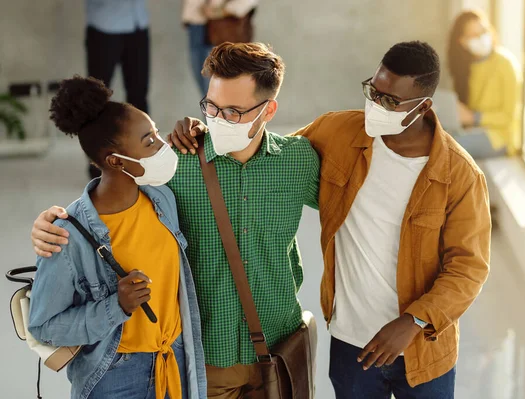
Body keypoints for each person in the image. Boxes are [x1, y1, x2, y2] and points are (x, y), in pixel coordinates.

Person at [168, 41, 491, 399]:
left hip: (422, 351)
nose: (374, 106)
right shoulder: (339, 132)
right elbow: (262, 158)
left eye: (389, 101)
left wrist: (413, 321)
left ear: (423, 106)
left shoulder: (459, 175)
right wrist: (205, 132)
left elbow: (469, 268)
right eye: (373, 91)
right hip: (352, 345)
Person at [30, 43, 320, 398]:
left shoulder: (300, 161)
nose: (217, 119)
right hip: (205, 362)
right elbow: (105, 196)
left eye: (233, 111)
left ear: (269, 109)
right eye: (211, 106)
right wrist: (50, 224)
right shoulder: (176, 169)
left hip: (280, 351)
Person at [27, 76, 207, 399]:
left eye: (154, 133)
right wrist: (115, 306)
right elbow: (43, 325)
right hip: (117, 377)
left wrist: (197, 132)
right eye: (149, 141)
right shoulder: (67, 235)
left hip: (175, 360)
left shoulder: (162, 199)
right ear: (115, 160)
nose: (161, 145)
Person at [85, 0, 151, 178]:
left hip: (138, 25)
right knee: (97, 100)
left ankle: (143, 158)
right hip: (105, 27)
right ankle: (98, 163)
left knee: (139, 96)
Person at [448, 9, 522, 159]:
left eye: (483, 31)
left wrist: (474, 117)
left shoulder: (505, 63)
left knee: (448, 146)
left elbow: (509, 117)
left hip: (500, 137)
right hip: (474, 130)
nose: (481, 38)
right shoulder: (466, 67)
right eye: (474, 35)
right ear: (462, 41)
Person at [182, 0, 259, 96]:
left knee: (222, 94)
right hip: (196, 22)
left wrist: (222, 10)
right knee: (208, 97)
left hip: (223, 24)